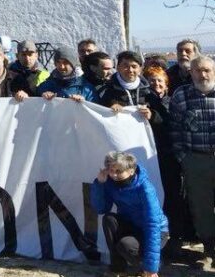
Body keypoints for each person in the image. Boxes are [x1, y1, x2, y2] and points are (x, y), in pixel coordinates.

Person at [168, 55, 215, 270]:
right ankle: (210, 250)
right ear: (190, 72)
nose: (202, 74)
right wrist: (183, 158)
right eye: (197, 70)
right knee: (201, 208)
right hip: (196, 160)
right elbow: (175, 130)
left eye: (206, 70)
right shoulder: (181, 96)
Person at [91, 151, 168, 277]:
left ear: (131, 170)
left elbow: (153, 224)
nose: (114, 175)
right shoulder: (110, 183)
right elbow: (101, 209)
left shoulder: (145, 188)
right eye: (111, 170)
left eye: (119, 171)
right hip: (132, 226)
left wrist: (151, 269)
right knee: (109, 219)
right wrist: (99, 184)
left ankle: (149, 267)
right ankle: (118, 268)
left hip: (157, 232)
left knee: (125, 245)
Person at [143, 65, 193, 258]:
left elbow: (173, 123)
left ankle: (176, 238)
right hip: (151, 157)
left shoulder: (174, 101)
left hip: (171, 158)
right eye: (152, 80)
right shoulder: (143, 103)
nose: (156, 84)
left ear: (166, 84)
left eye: (160, 81)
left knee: (175, 199)